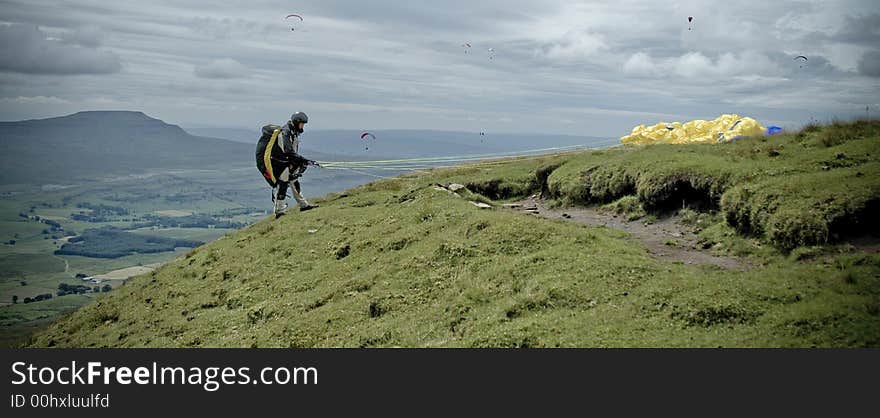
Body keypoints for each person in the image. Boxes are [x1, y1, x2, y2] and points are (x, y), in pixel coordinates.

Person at [257, 112, 318, 217]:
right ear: (296, 122)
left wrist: (301, 161)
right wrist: (303, 160)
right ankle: (279, 211)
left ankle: (304, 205)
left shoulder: (292, 132)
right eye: (302, 124)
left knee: (294, 180)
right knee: (283, 183)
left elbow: (291, 151)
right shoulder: (285, 132)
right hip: (276, 162)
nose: (303, 126)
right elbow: (288, 151)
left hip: (283, 161)